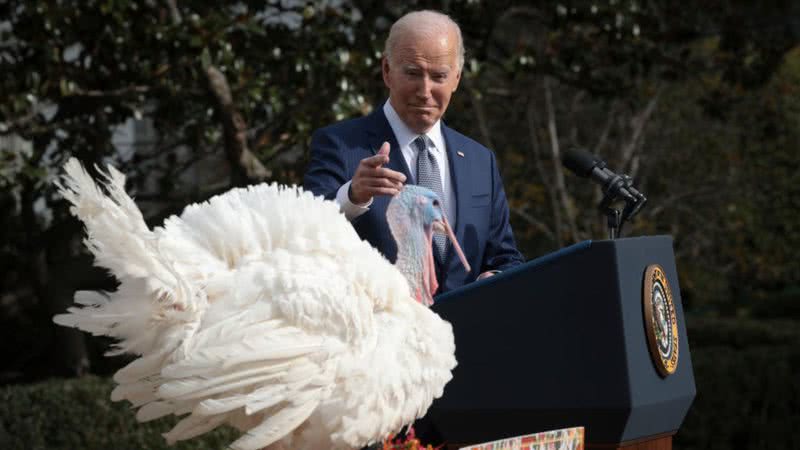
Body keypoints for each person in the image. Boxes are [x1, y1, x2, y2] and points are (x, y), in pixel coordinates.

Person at [304, 10, 523, 294]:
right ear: (387, 71)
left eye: (438, 76)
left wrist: (496, 276)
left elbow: (506, 257)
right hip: (379, 331)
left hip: (467, 333)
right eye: (412, 73)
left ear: (456, 78)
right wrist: (352, 195)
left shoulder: (480, 160)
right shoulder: (340, 144)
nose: (425, 90)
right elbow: (305, 236)